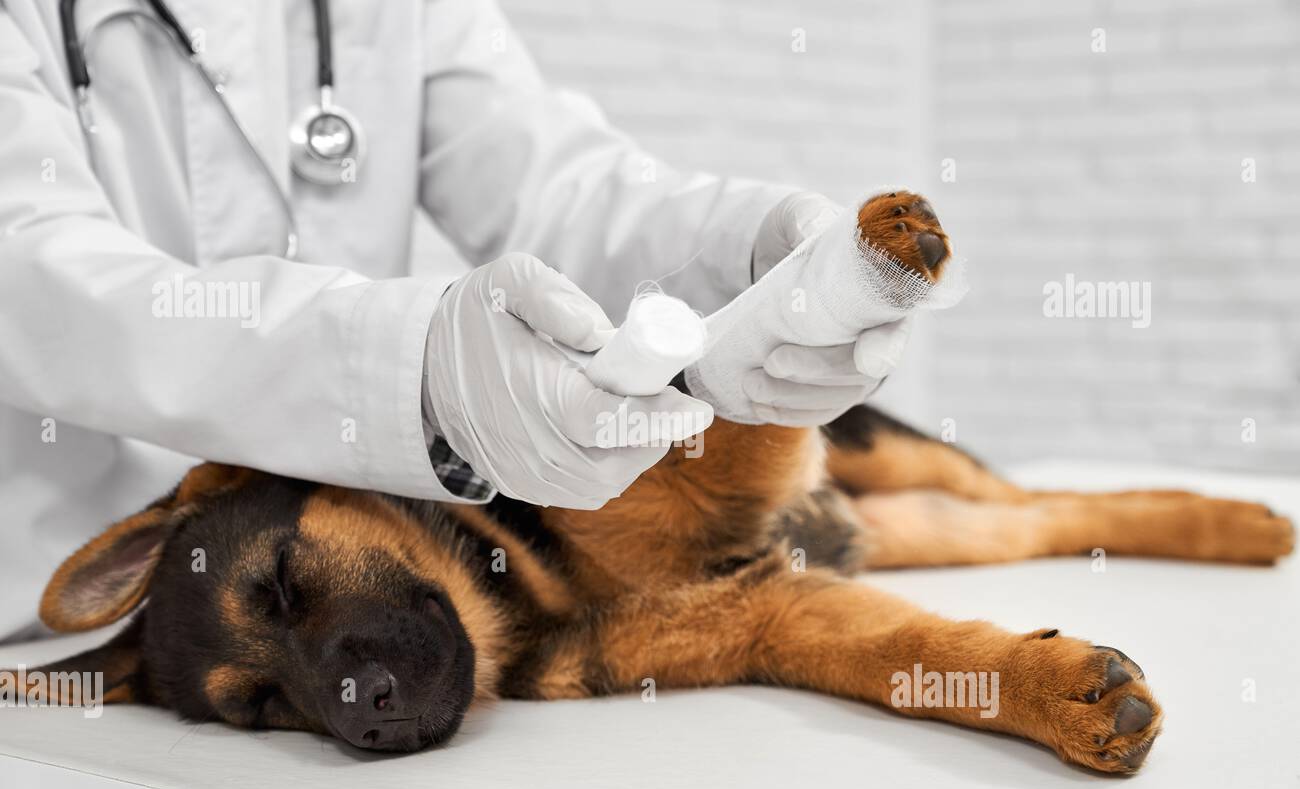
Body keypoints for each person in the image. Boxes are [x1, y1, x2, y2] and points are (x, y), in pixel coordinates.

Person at [0, 0, 907, 639]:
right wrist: (414, 365)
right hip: (45, 626)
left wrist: (747, 251)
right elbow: (32, 269)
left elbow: (547, 176)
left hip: (341, 592)